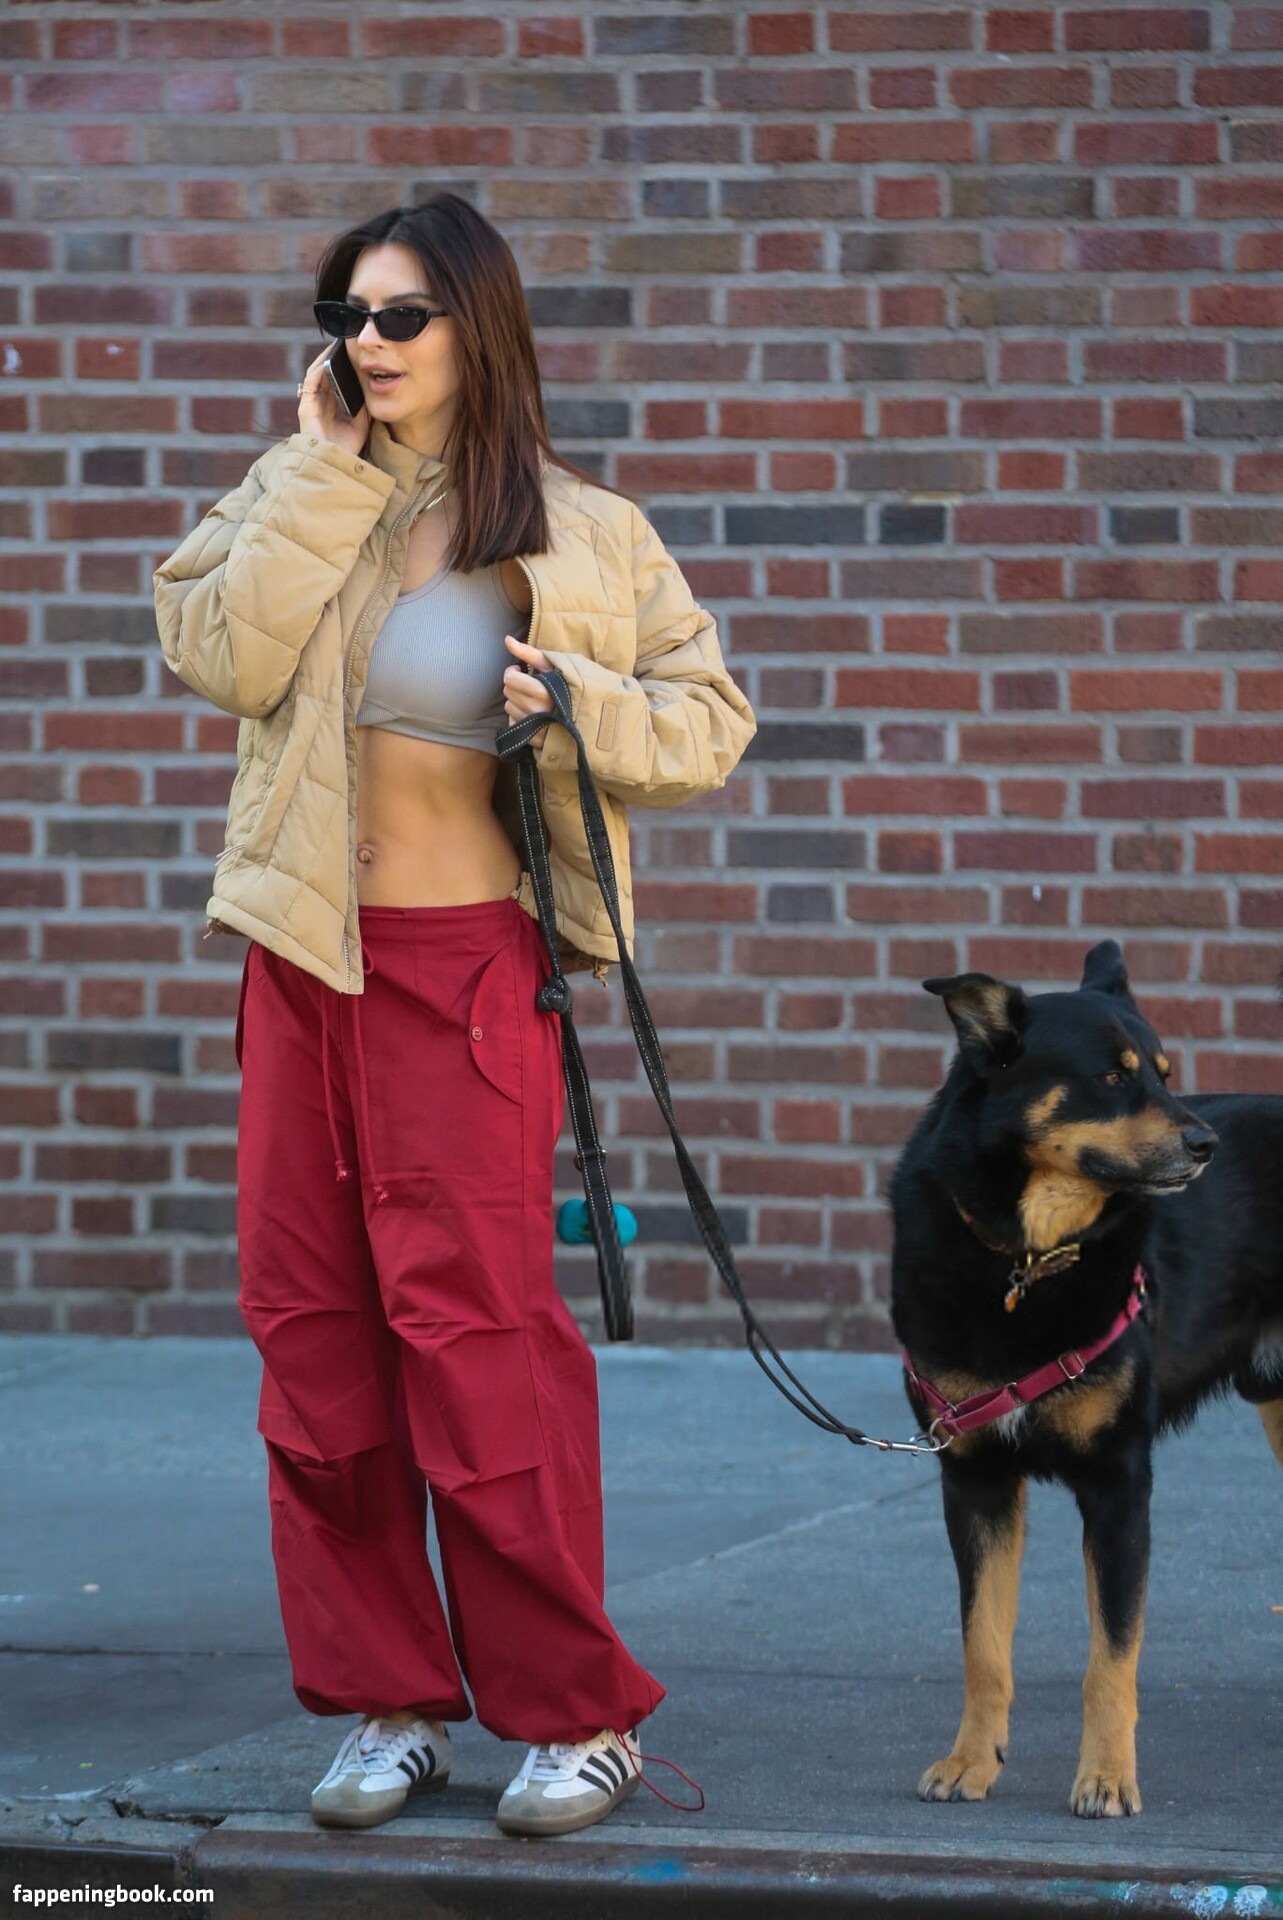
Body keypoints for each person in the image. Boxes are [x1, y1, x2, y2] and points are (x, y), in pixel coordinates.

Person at [152, 193, 757, 1838]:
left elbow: (710, 717)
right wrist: (319, 472)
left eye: (402, 315)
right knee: (312, 1340)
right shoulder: (302, 491)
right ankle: (390, 1702)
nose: (368, 342)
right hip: (303, 966)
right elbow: (216, 649)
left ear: (477, 328)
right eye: (347, 315)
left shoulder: (581, 530)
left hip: (467, 978)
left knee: (476, 1342)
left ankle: (575, 1715)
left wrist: (583, 698)